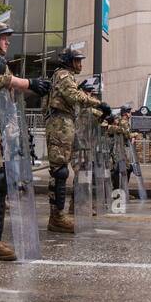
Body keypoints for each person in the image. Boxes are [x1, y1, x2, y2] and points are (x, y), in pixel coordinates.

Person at [0, 16, 50, 260]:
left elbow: (6, 90)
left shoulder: (0, 62)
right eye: (3, 36)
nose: (7, 41)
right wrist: (27, 83)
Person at [43, 44, 104, 234]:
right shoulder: (63, 75)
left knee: (62, 171)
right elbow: (74, 97)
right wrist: (98, 102)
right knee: (59, 171)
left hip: (65, 123)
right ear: (68, 61)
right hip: (59, 124)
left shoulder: (67, 76)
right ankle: (56, 217)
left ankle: (60, 214)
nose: (80, 64)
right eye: (77, 60)